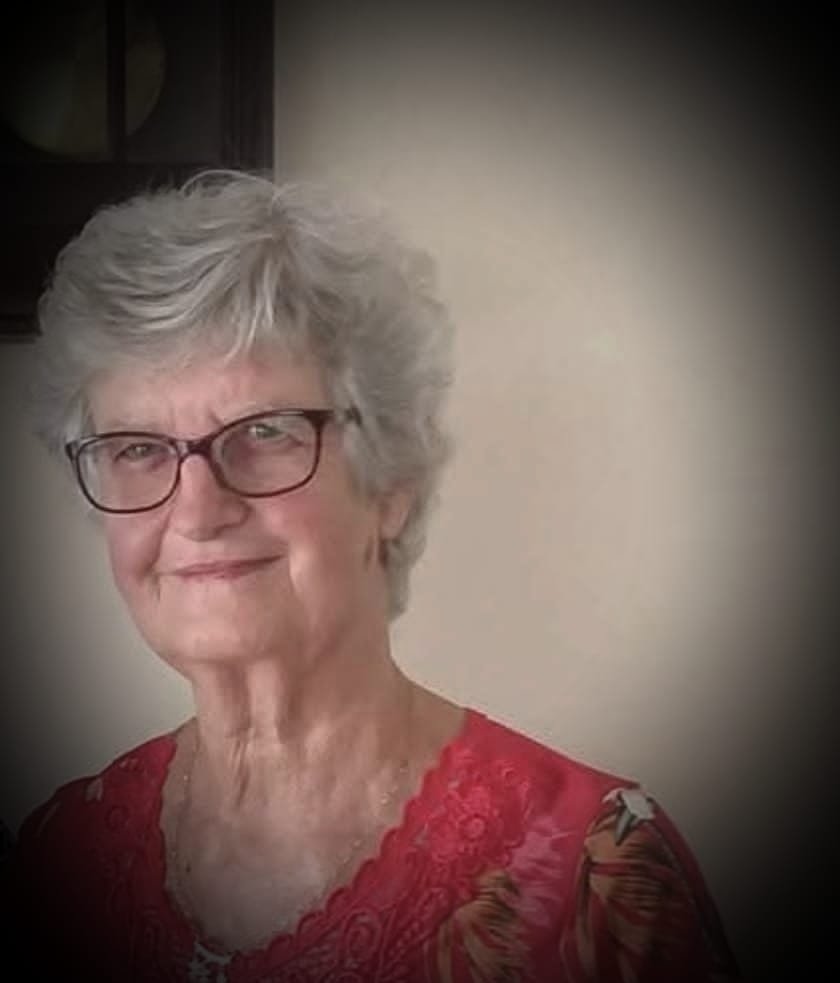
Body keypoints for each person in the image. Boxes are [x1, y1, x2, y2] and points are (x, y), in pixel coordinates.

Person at [9, 170, 740, 981]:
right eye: (138, 448)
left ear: (391, 486)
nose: (198, 509)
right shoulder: (60, 852)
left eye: (266, 432)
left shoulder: (599, 881)